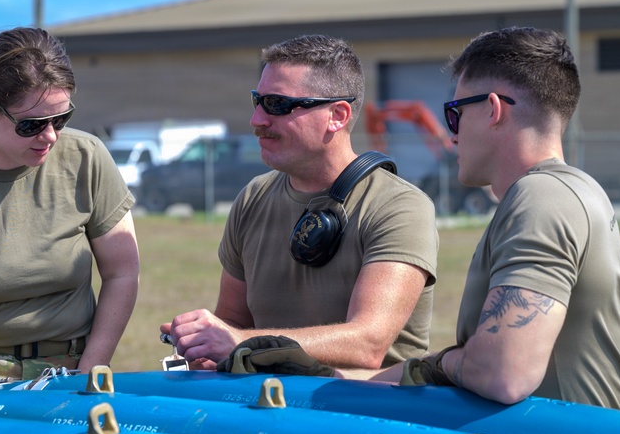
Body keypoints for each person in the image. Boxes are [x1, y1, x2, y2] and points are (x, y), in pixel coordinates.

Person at [369, 27, 620, 409]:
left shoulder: (542, 197)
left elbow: (504, 373)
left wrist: (438, 363)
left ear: (493, 109)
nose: (451, 135)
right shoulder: (573, 191)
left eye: (455, 114)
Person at [162, 34, 438, 371]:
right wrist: (202, 349)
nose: (257, 120)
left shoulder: (400, 207)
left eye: (277, 104)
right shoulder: (254, 197)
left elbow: (368, 343)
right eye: (257, 101)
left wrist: (239, 342)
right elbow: (233, 321)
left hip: (365, 414)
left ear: (337, 115)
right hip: (266, 407)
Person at [0, 27, 139, 390]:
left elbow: (123, 273)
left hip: (73, 368)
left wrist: (90, 370)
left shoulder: (86, 159)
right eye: (31, 125)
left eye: (61, 119)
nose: (51, 136)